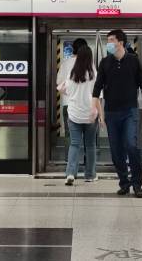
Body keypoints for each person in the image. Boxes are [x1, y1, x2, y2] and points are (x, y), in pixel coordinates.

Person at [93, 29, 142, 198]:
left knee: (131, 145)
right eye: (107, 40)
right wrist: (99, 113)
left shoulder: (133, 60)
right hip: (111, 112)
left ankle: (137, 184)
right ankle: (124, 183)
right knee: (116, 150)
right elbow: (97, 89)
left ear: (121, 42)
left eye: (111, 40)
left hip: (130, 111)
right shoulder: (105, 63)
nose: (108, 43)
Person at [62, 45, 100, 185]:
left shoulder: (72, 74)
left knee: (74, 144)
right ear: (90, 57)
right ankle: (90, 175)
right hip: (90, 114)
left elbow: (67, 91)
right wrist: (100, 115)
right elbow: (97, 96)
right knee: (90, 145)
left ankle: (70, 173)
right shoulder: (94, 74)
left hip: (74, 114)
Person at [56, 38, 88, 134]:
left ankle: (69, 149)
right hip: (86, 105)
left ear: (73, 49)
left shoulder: (65, 64)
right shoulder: (89, 64)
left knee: (70, 137)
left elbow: (59, 83)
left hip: (69, 104)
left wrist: (68, 92)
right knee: (88, 137)